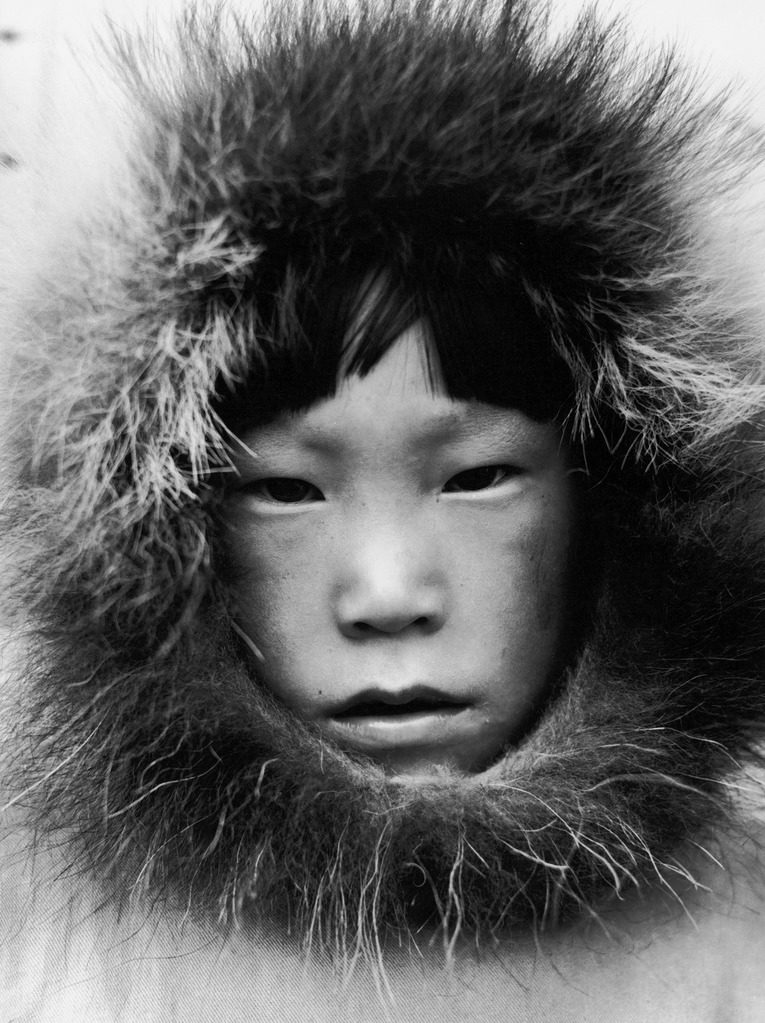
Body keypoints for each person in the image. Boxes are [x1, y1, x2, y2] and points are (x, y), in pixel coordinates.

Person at [1, 1, 765, 1019]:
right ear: (165, 540)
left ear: (617, 507)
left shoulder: (738, 940)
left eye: (476, 477)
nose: (389, 593)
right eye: (285, 491)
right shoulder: (46, 936)